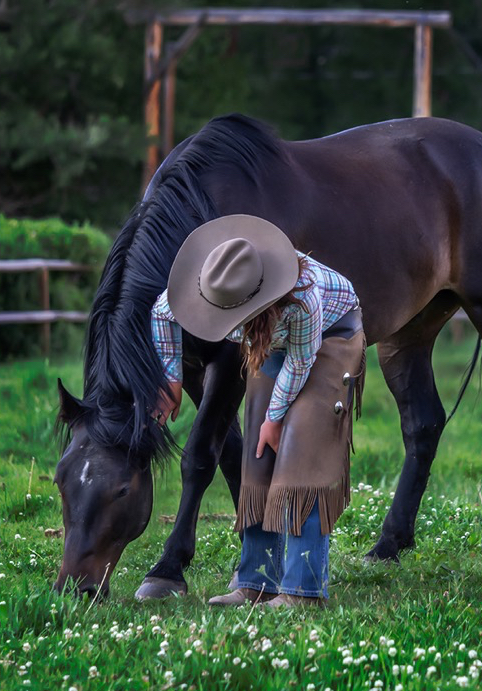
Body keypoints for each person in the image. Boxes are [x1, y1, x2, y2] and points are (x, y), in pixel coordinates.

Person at [150, 214, 365, 608]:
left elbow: (301, 362)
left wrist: (275, 417)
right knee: (258, 459)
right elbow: (161, 313)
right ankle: (257, 581)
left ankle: (303, 591)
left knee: (304, 454)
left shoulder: (303, 296)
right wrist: (171, 378)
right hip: (270, 340)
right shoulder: (210, 285)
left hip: (330, 340)